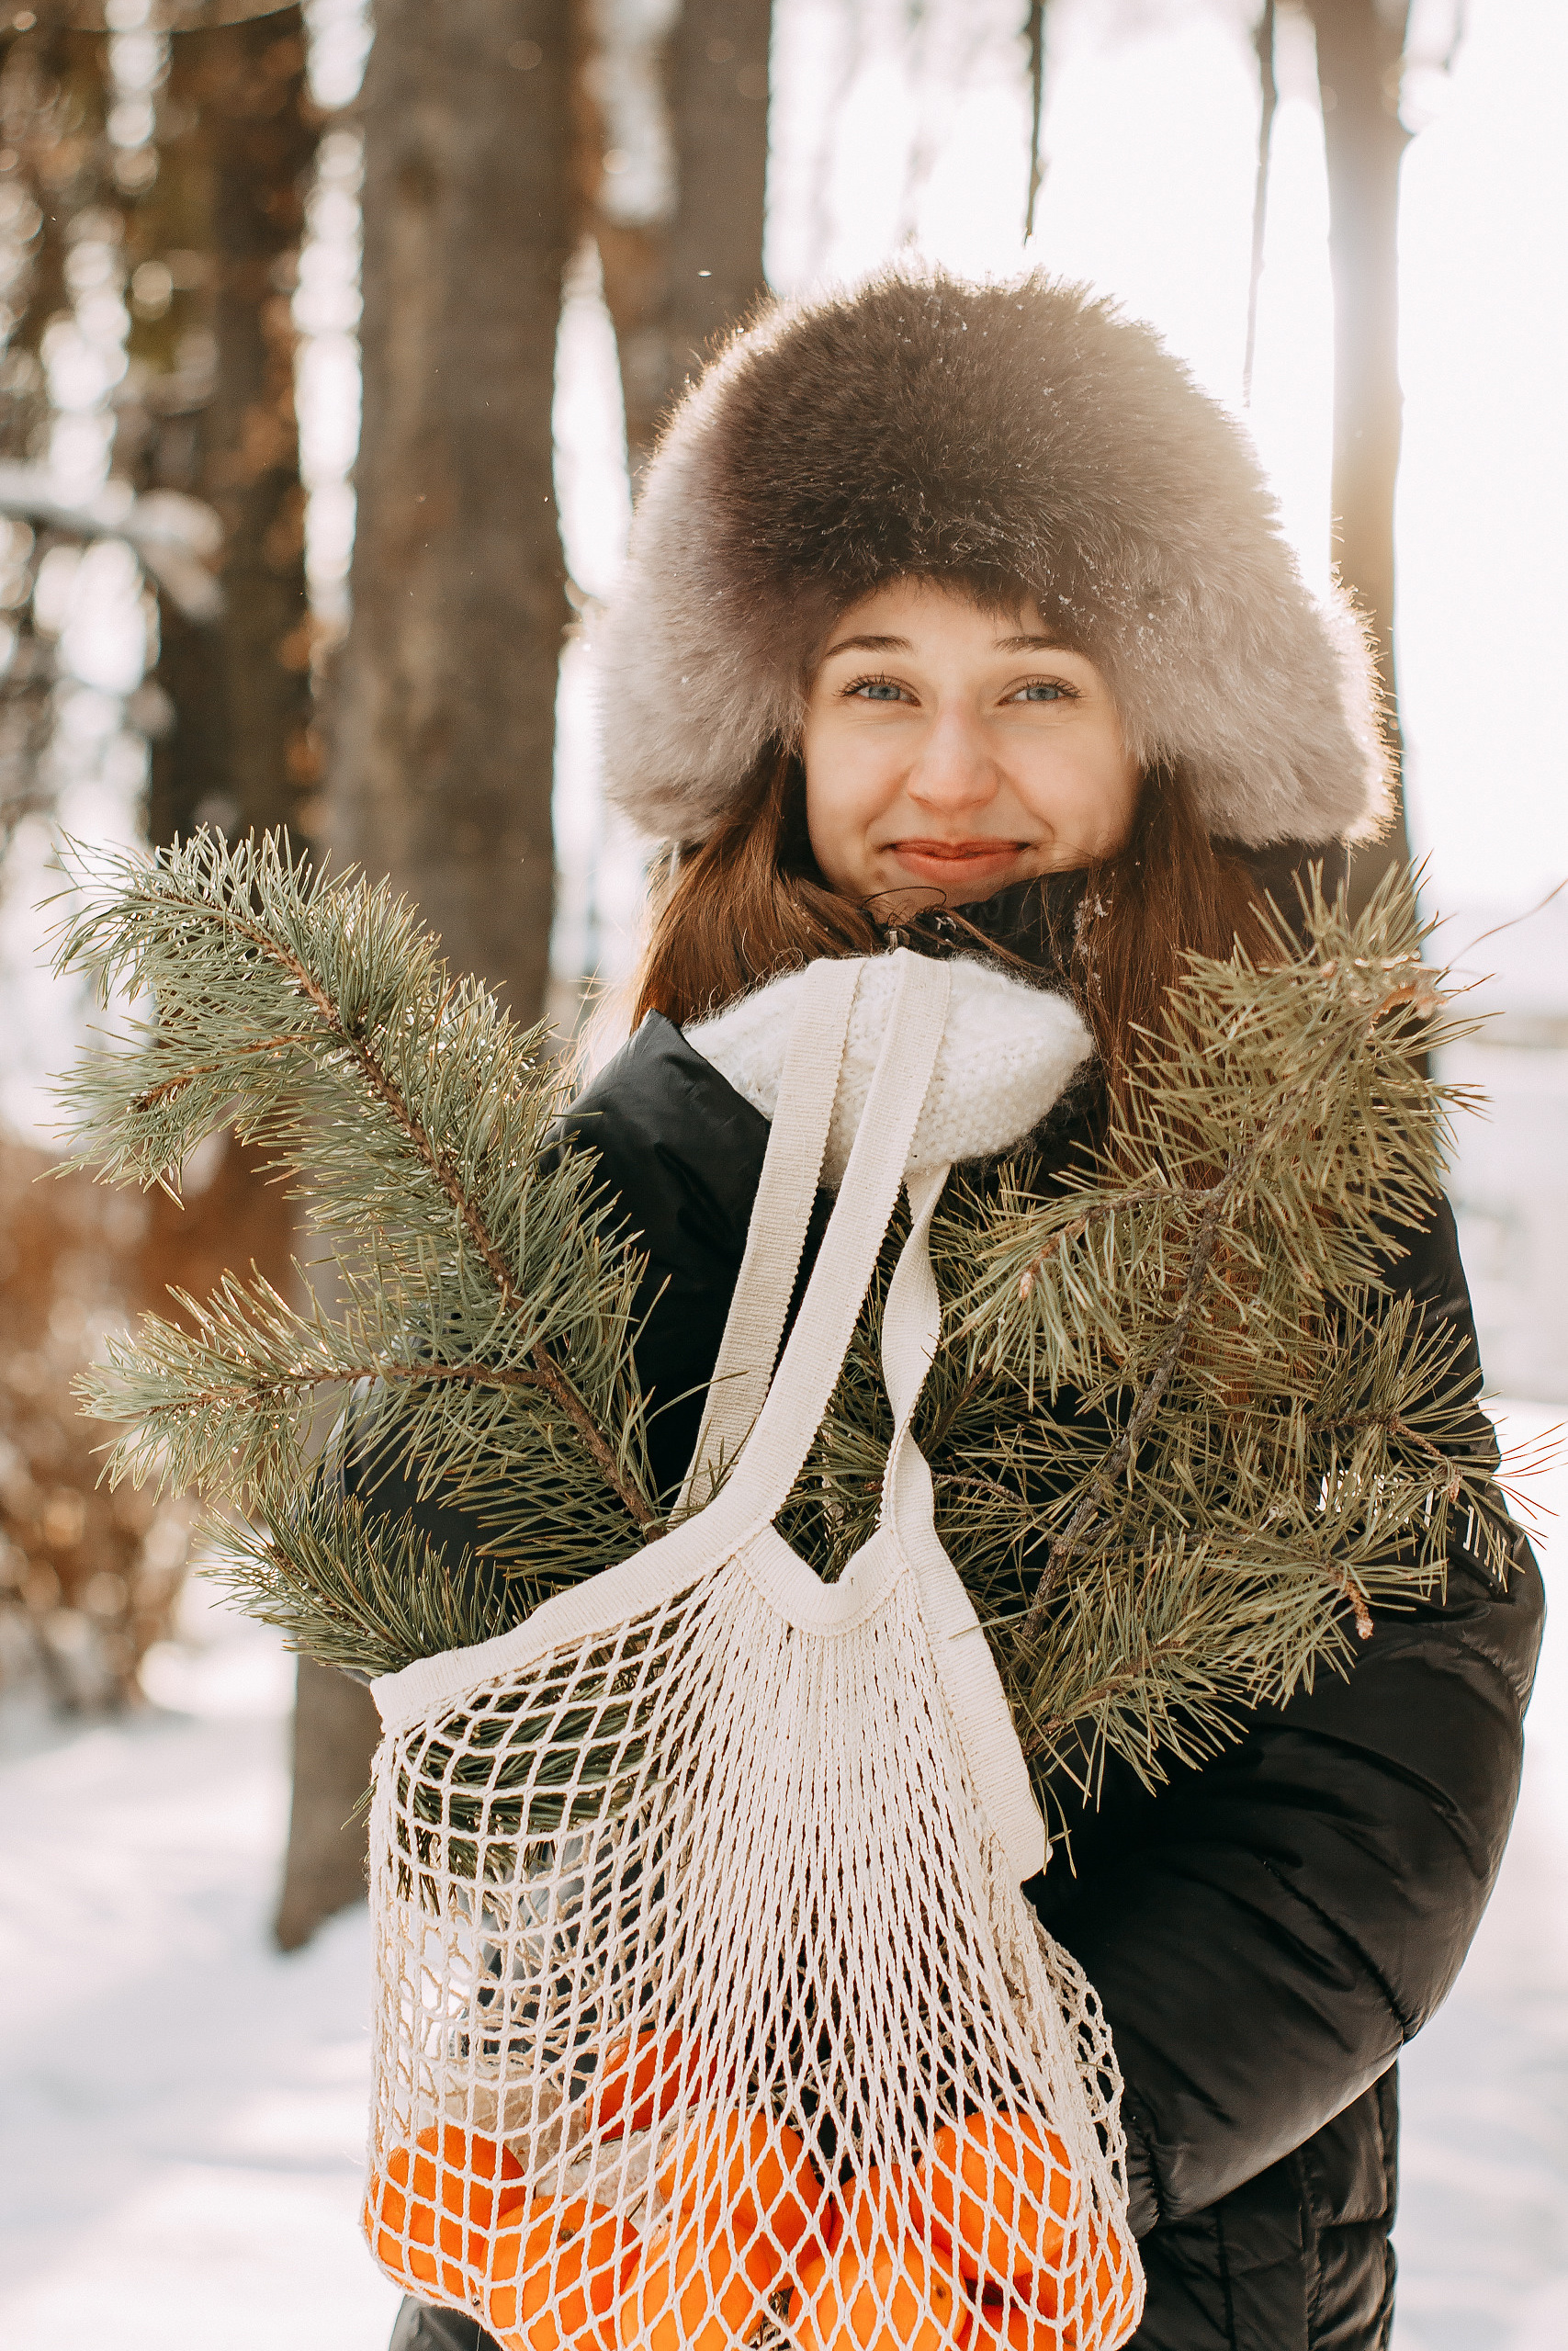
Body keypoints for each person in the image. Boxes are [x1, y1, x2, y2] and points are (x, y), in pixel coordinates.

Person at [384, 269, 1541, 2351]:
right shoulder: (667, 1117)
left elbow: (1398, 1729)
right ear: (775, 727)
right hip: (639, 2223)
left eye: (1033, 687)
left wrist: (1029, 2130)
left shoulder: (1273, 1133)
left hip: (1112, 2247)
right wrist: (674, 1134)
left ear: (1154, 724)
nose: (949, 769)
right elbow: (453, 1606)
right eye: (872, 684)